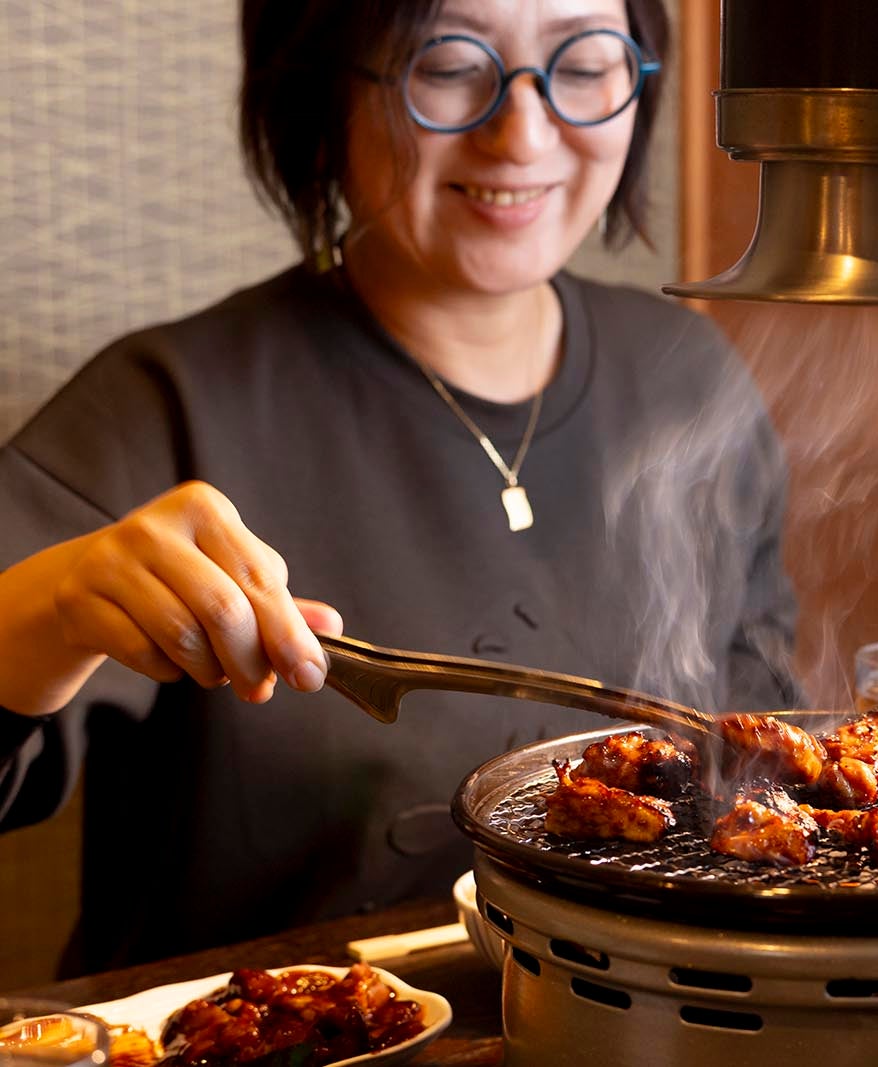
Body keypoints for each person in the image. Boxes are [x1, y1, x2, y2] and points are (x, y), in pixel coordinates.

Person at [0, 0, 801, 973]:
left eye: (584, 61)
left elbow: (769, 762)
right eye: (445, 61)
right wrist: (45, 612)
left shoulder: (686, 374)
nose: (522, 132)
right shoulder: (166, 406)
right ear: (324, 85)